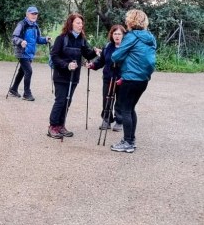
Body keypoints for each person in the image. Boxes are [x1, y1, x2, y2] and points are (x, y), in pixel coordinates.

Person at [110, 9, 157, 153]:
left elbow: (116, 56)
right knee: (131, 108)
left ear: (131, 21)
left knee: (125, 109)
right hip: (143, 79)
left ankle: (128, 143)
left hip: (130, 77)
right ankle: (131, 139)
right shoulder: (150, 37)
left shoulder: (131, 37)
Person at [47, 13, 99, 138]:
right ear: (71, 24)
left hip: (74, 76)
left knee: (68, 101)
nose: (80, 25)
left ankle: (61, 125)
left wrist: (95, 52)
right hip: (61, 75)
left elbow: (87, 54)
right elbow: (54, 57)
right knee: (60, 101)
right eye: (78, 23)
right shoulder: (62, 38)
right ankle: (52, 126)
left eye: (81, 23)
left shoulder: (81, 39)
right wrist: (67, 65)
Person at [87, 24, 126, 132]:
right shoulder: (108, 46)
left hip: (122, 79)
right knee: (107, 99)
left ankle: (119, 121)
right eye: (115, 34)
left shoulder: (127, 47)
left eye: (119, 34)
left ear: (123, 35)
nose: (117, 36)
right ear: (111, 35)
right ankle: (107, 119)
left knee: (120, 101)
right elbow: (101, 61)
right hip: (108, 78)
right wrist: (93, 65)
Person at [8, 6, 50, 101]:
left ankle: (14, 89)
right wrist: (21, 42)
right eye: (32, 14)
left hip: (30, 53)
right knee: (29, 71)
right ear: (27, 14)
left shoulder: (35, 26)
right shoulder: (22, 24)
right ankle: (27, 93)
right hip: (22, 52)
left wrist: (45, 39)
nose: (34, 15)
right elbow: (14, 37)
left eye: (36, 14)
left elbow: (38, 39)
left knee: (22, 71)